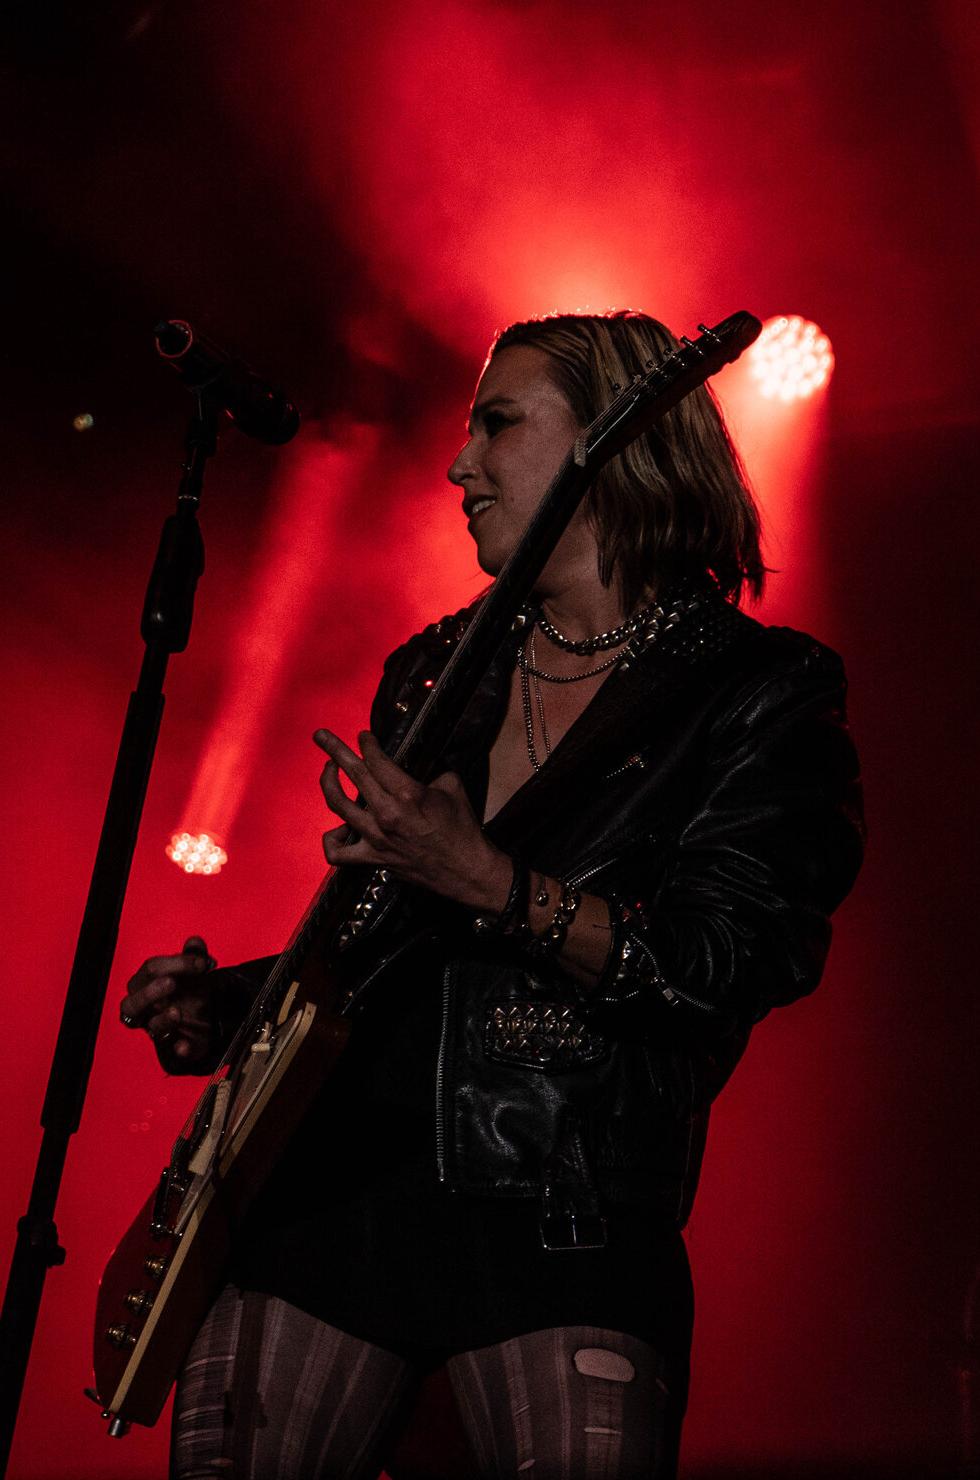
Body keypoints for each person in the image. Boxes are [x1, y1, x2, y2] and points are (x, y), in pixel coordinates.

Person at [118, 310, 864, 1480]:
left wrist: (498, 886)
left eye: (498, 423)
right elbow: (391, 951)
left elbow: (731, 958)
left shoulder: (757, 688)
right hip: (331, 1201)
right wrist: (232, 1001)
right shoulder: (433, 668)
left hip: (562, 1217)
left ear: (611, 444)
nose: (459, 464)